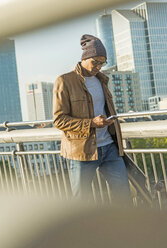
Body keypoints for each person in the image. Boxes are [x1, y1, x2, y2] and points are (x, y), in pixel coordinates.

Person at [53, 34, 130, 203]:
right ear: (85, 57)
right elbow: (59, 120)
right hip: (82, 152)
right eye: (95, 62)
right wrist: (91, 123)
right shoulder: (65, 81)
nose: (99, 67)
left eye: (102, 63)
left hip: (109, 147)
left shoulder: (102, 80)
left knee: (124, 197)